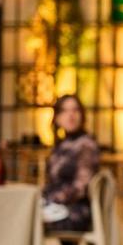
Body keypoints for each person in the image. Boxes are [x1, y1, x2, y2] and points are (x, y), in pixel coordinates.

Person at [43, 94, 99, 234]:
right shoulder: (61, 145)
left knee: (27, 220)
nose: (71, 115)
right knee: (24, 214)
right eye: (64, 110)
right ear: (57, 118)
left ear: (82, 115)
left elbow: (81, 187)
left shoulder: (86, 145)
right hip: (56, 207)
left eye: (75, 110)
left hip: (76, 211)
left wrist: (52, 199)